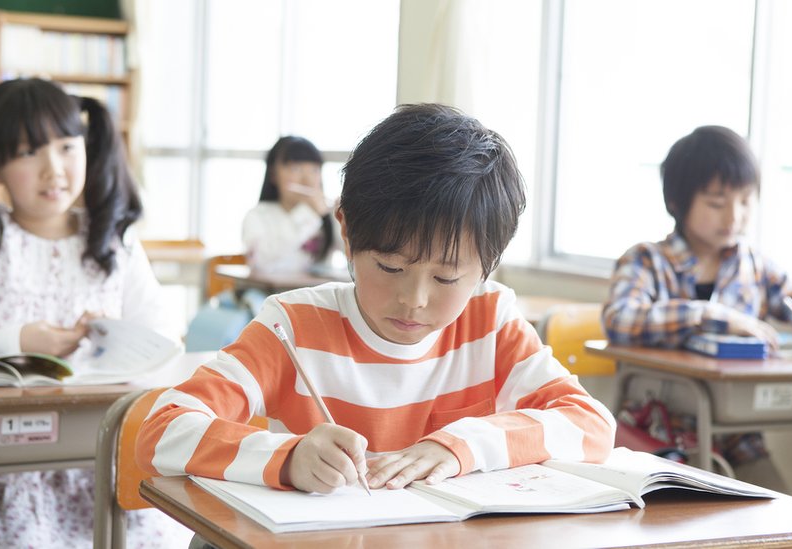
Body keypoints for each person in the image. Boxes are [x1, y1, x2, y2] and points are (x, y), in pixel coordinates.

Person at [136, 104, 615, 501]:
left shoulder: (489, 320)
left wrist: (463, 446)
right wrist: (288, 456)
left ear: (489, 264)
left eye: (447, 276)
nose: (414, 300)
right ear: (346, 232)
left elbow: (590, 423)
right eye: (390, 267)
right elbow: (161, 431)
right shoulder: (293, 327)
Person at [0, 78, 190, 547]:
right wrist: (19, 342)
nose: (54, 170)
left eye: (67, 147)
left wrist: (113, 336)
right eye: (28, 152)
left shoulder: (113, 241)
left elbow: (166, 337)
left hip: (106, 462)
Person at [602, 125, 792, 490]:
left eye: (745, 201)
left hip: (737, 439)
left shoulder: (754, 266)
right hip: (659, 439)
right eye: (717, 203)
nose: (733, 216)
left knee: (782, 517)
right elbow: (619, 320)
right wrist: (710, 314)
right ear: (677, 202)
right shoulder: (646, 261)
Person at [241, 135, 340, 274]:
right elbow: (264, 264)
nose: (308, 180)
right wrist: (309, 215)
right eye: (296, 169)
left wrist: (343, 218)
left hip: (315, 294)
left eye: (315, 170)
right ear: (273, 174)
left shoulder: (328, 213)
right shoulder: (257, 216)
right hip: (270, 294)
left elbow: (354, 256)